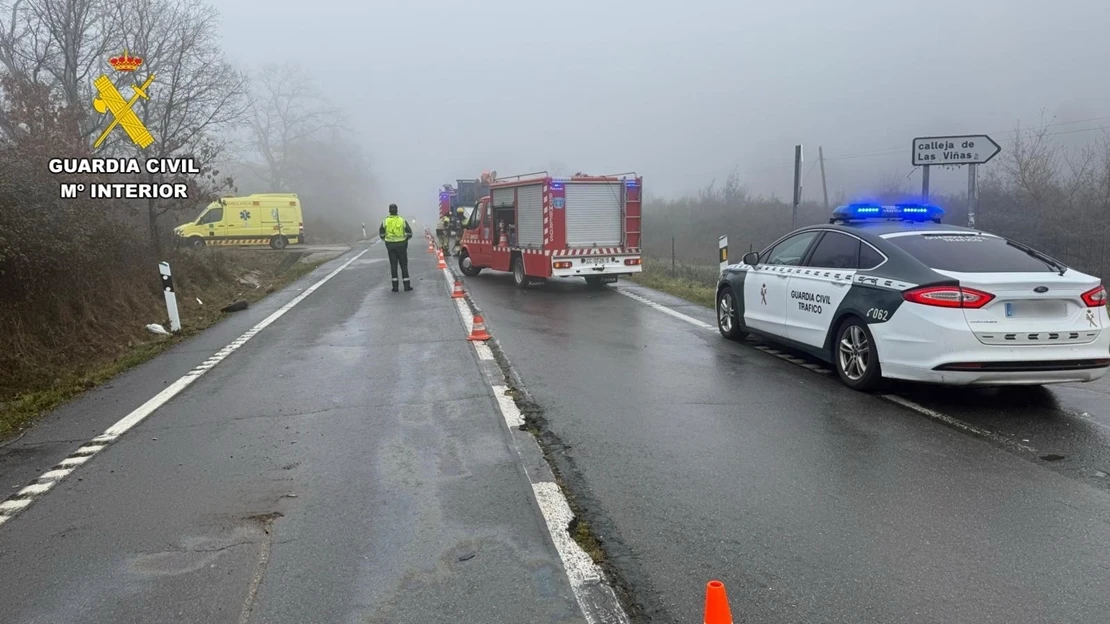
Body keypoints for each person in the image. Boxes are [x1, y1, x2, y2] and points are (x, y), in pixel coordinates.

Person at [379, 203, 413, 292]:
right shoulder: (402, 220)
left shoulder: (385, 221)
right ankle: (406, 286)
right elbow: (409, 233)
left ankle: (395, 287)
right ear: (397, 210)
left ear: (389, 211)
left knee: (393, 265)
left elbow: (381, 234)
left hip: (390, 246)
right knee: (404, 265)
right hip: (402, 245)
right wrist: (405, 240)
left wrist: (386, 241)